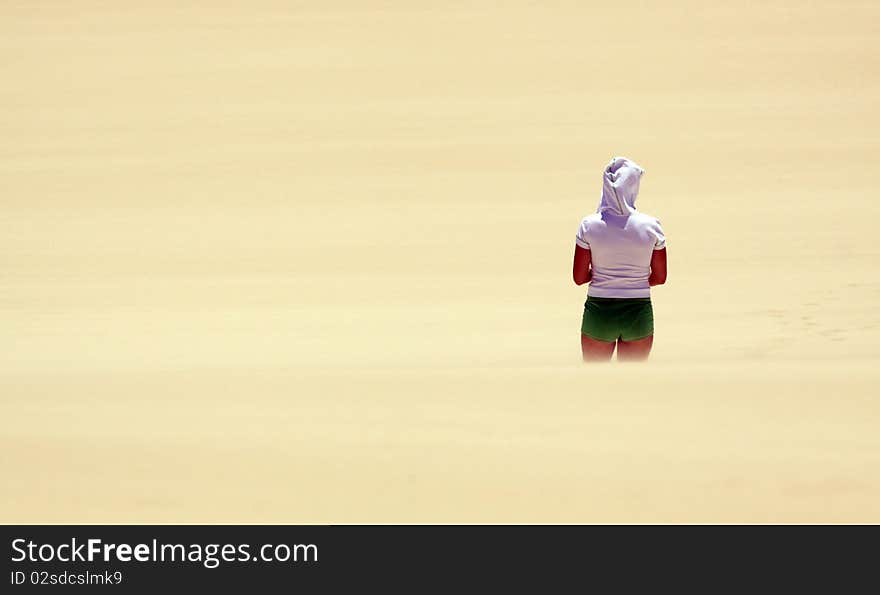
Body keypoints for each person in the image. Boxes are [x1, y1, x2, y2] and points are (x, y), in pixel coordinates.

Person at [572, 156, 667, 362]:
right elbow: (660, 277)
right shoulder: (652, 226)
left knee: (594, 381)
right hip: (638, 311)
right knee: (633, 384)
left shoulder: (588, 225)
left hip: (600, 312)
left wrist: (604, 275)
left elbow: (579, 278)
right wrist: (634, 280)